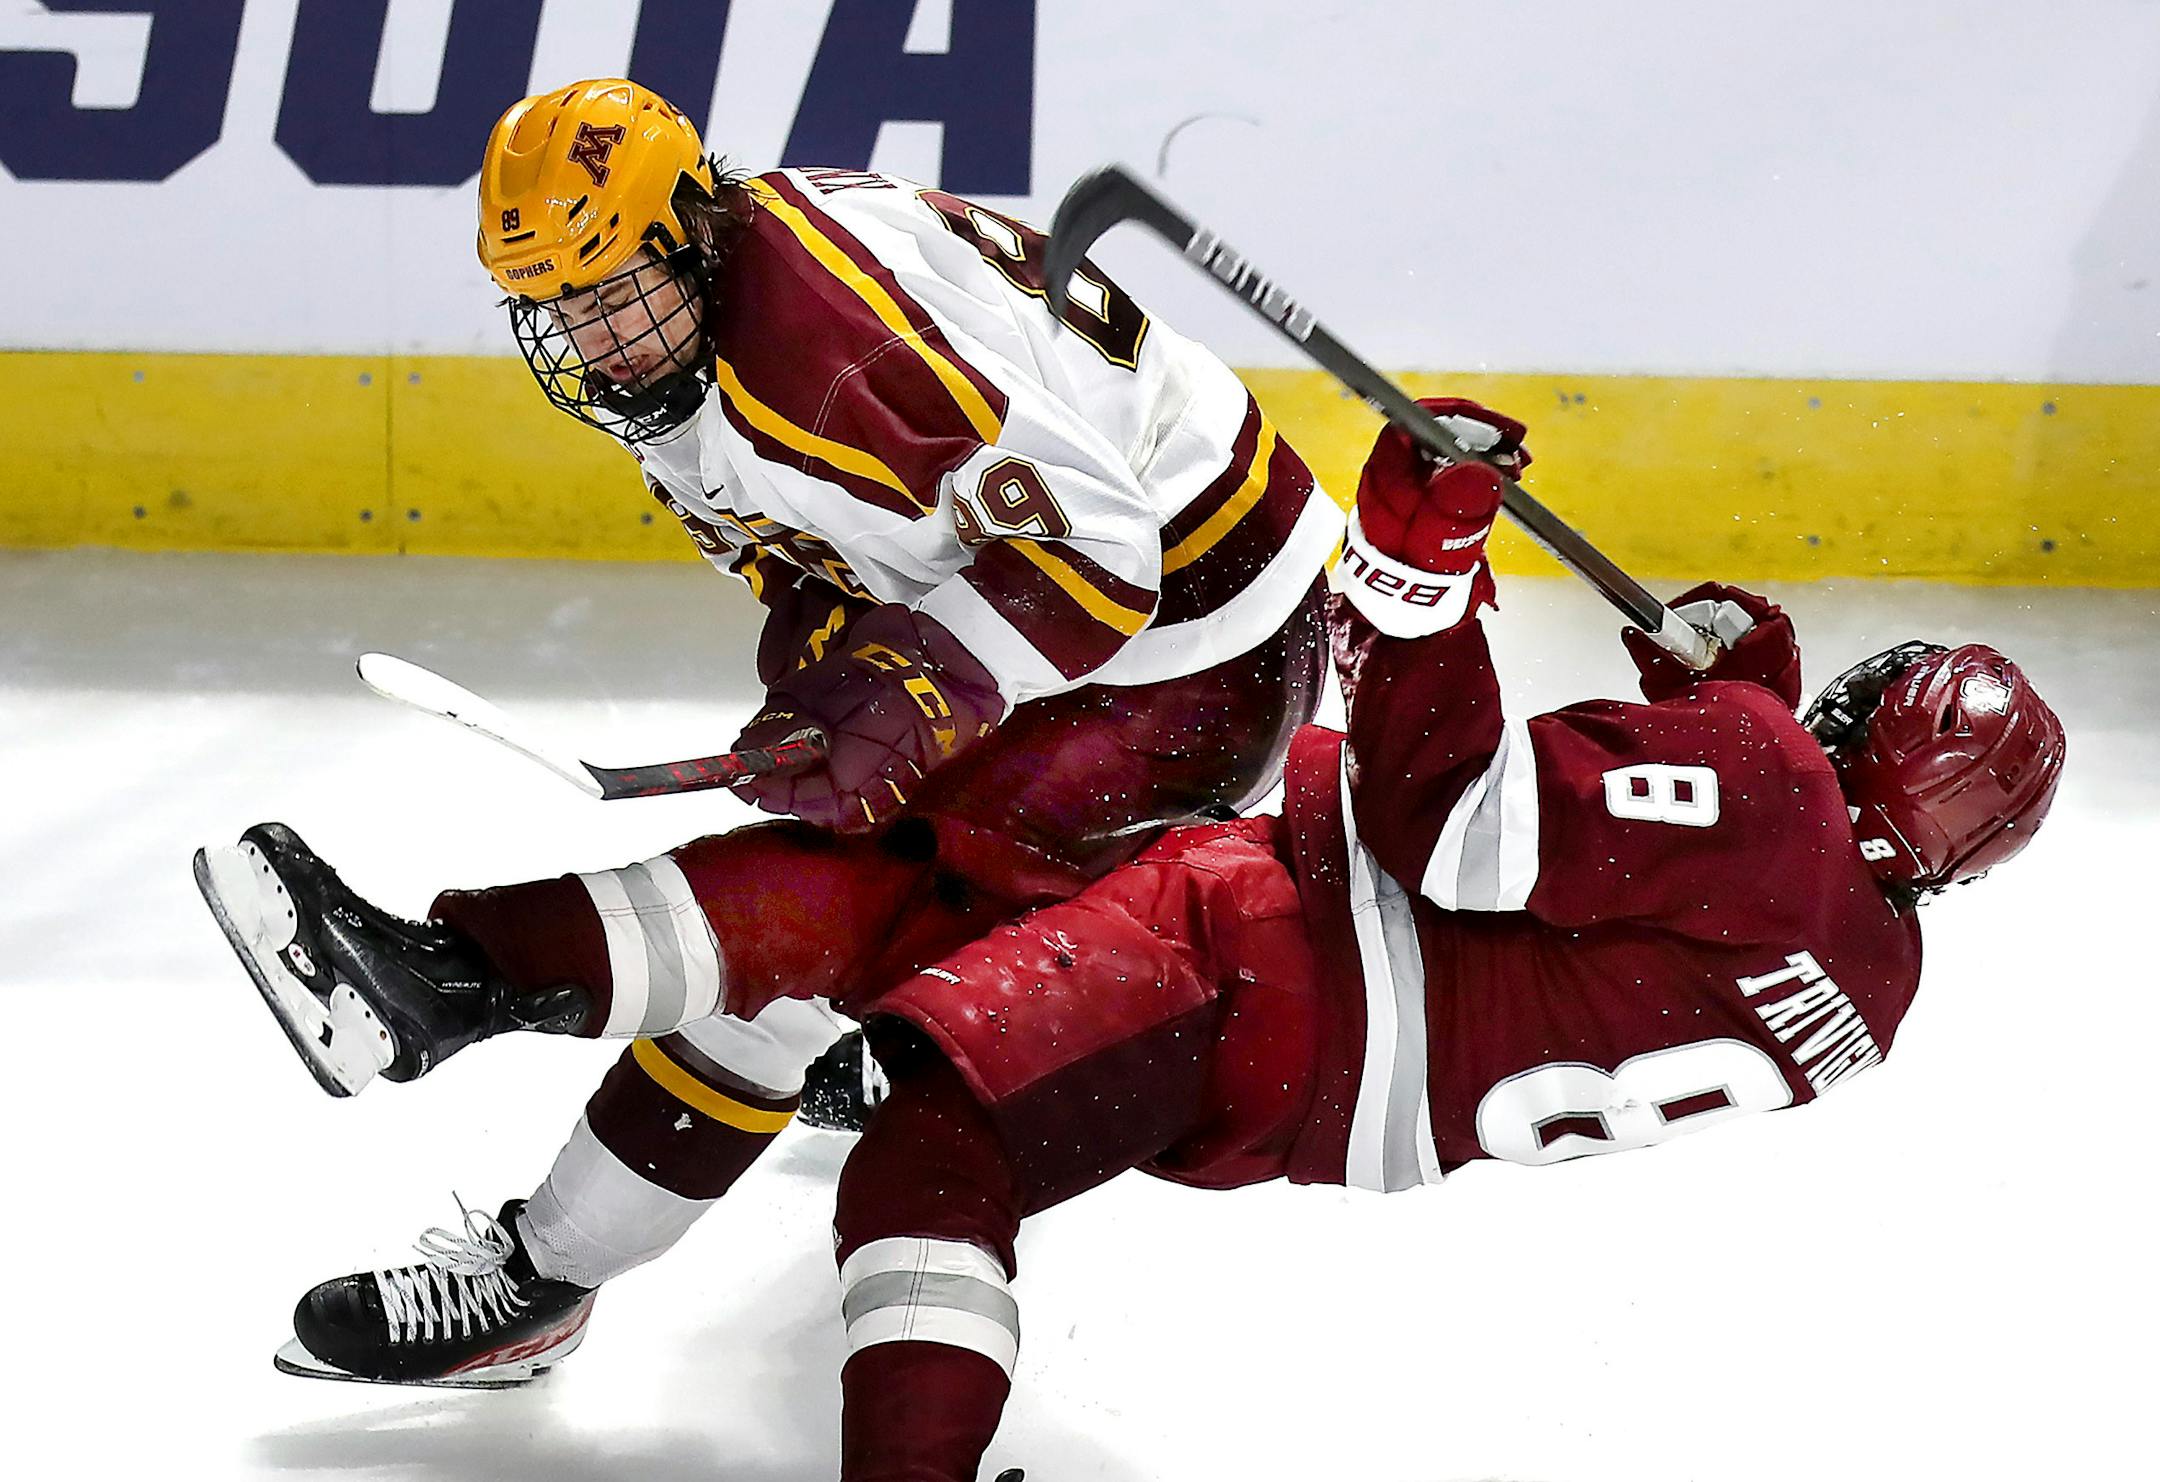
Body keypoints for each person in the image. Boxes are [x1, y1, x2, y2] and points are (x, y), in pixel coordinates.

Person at [236, 401, 2065, 1482]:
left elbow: (1460, 828)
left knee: (927, 1148)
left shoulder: (1765, 787)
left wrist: (1419, 570)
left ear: (1861, 745)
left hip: (1272, 948)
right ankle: (494, 1115)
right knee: (841, 933)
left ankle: (484, 1026)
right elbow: (1681, 901)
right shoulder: (1873, 980)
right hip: (1330, 1069)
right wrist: (1727, 698)